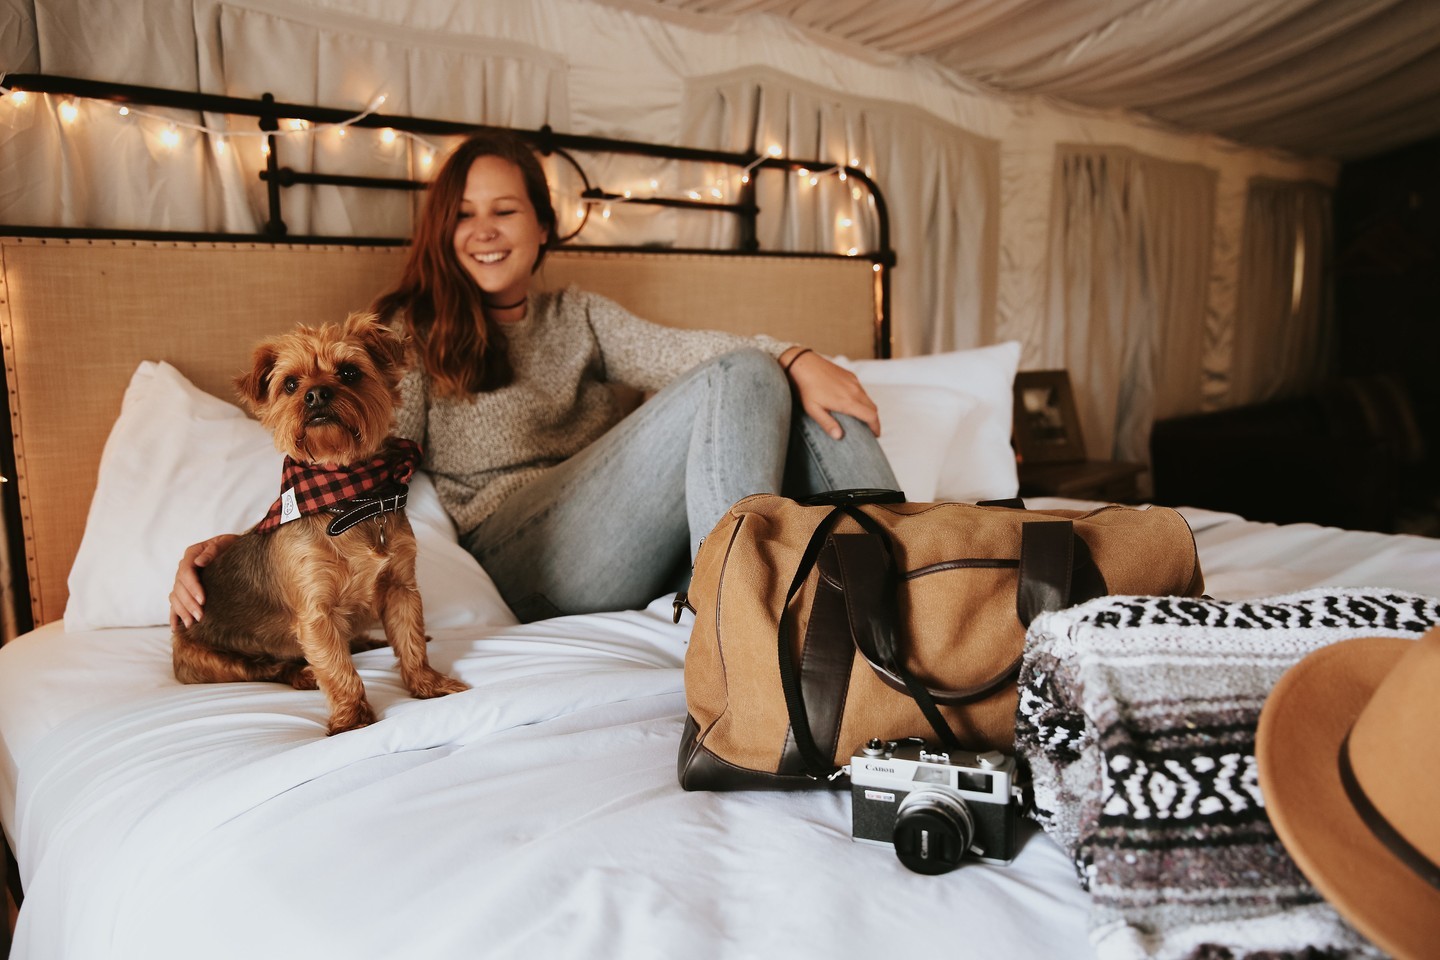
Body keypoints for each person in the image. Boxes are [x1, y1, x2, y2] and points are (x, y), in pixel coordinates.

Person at [170, 130, 896, 626]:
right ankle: (744, 637)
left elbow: (683, 351)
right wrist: (252, 541)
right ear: (444, 235)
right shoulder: (410, 332)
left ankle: (915, 600)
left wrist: (798, 359)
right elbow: (356, 450)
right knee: (749, 372)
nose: (484, 230)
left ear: (543, 226)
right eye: (464, 216)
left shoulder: (580, 316)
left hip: (634, 552)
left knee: (809, 393)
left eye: (505, 210)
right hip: (527, 558)